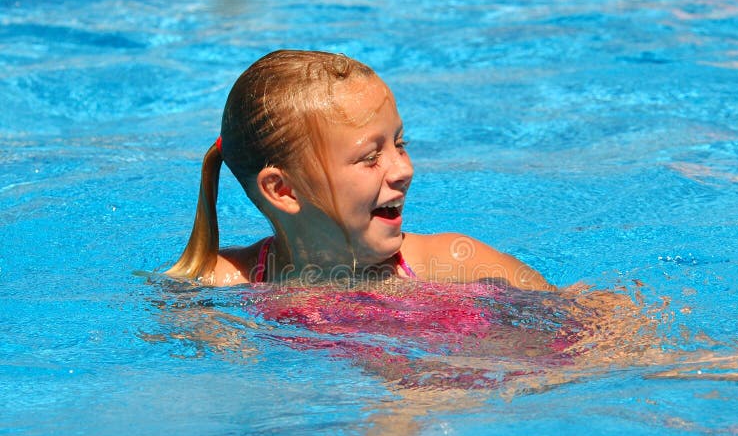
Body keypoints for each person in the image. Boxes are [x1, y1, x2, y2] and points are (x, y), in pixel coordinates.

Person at [168, 49, 554, 291]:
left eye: (399, 144)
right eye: (371, 157)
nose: (404, 169)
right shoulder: (221, 281)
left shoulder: (457, 265)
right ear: (282, 190)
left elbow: (599, 329)